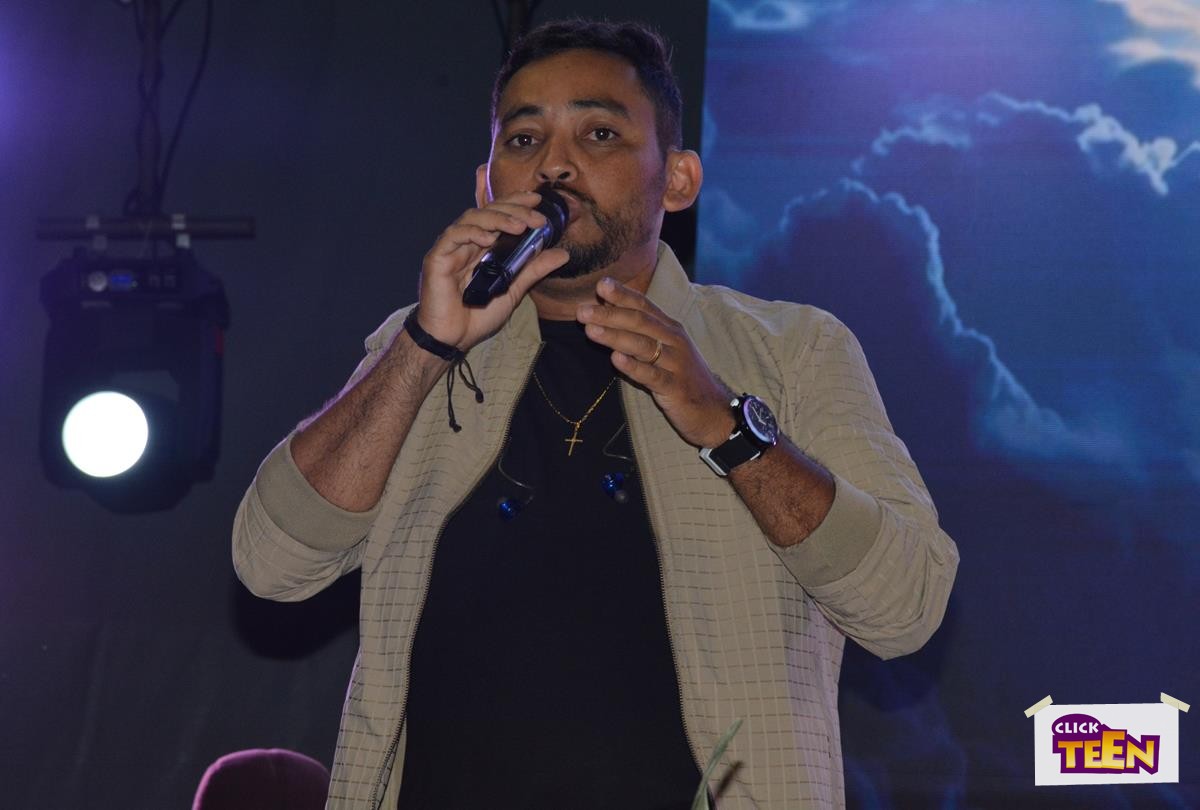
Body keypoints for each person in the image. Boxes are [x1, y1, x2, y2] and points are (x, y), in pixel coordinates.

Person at [233, 19, 958, 810]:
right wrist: (424, 346)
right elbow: (272, 566)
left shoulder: (792, 350)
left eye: (600, 133)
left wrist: (728, 426)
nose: (554, 164)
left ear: (676, 180)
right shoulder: (415, 350)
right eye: (523, 140)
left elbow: (904, 608)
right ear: (486, 185)